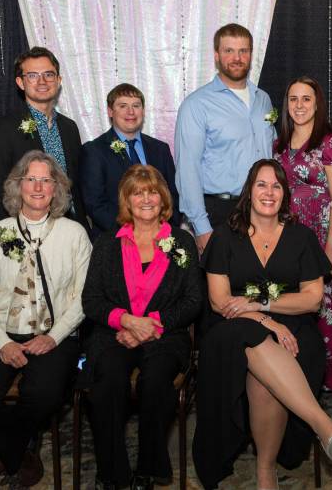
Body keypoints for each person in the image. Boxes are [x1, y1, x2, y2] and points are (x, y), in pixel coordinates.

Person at [192, 159, 332, 490]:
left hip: (292, 328)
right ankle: (322, 425)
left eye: (276, 185)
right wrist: (264, 318)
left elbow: (311, 298)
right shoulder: (224, 237)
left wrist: (262, 304)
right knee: (252, 339)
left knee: (265, 376)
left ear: (284, 194)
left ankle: (266, 469)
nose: (269, 192)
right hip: (233, 327)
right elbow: (220, 302)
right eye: (261, 184)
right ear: (249, 191)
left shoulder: (301, 237)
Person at [0, 150, 91, 486]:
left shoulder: (74, 234)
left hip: (54, 333)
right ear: (17, 187)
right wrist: (2, 342)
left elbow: (83, 297)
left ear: (56, 189)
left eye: (45, 180)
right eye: (30, 179)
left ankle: (6, 445)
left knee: (46, 394)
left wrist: (54, 336)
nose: (37, 187)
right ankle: (18, 447)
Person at [80, 164, 202, 489]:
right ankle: (113, 472)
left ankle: (151, 466)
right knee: (108, 382)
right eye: (137, 192)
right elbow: (91, 300)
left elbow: (193, 301)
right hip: (114, 335)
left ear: (163, 199)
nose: (145, 199)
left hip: (166, 336)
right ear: (127, 201)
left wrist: (153, 325)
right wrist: (127, 320)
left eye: (151, 192)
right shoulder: (107, 244)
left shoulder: (180, 244)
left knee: (156, 381)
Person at [273, 76, 332, 390]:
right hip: (289, 236)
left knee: (325, 307)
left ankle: (327, 382)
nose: (299, 105)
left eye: (306, 99)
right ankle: (293, 377)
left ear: (317, 104)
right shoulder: (278, 144)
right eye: (293, 99)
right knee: (294, 303)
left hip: (321, 235)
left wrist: (330, 249)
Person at [174, 23, 277, 254]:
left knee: (258, 286)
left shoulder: (263, 100)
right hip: (219, 212)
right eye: (229, 50)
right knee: (219, 289)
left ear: (251, 54)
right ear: (216, 55)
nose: (237, 58)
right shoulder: (196, 105)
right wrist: (201, 228)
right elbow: (187, 169)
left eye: (243, 51)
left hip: (264, 208)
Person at [0, 46, 90, 231]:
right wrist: (14, 236)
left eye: (49, 74)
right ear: (20, 82)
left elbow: (76, 186)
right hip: (27, 230)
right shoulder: (4, 129)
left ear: (58, 80)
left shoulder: (69, 128)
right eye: (32, 75)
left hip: (70, 229)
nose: (42, 81)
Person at [80, 83, 180, 236]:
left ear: (143, 111)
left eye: (136, 105)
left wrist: (162, 231)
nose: (131, 112)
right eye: (123, 106)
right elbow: (95, 204)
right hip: (115, 240)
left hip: (160, 240)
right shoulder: (94, 151)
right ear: (110, 111)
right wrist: (133, 235)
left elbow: (173, 195)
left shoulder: (160, 149)